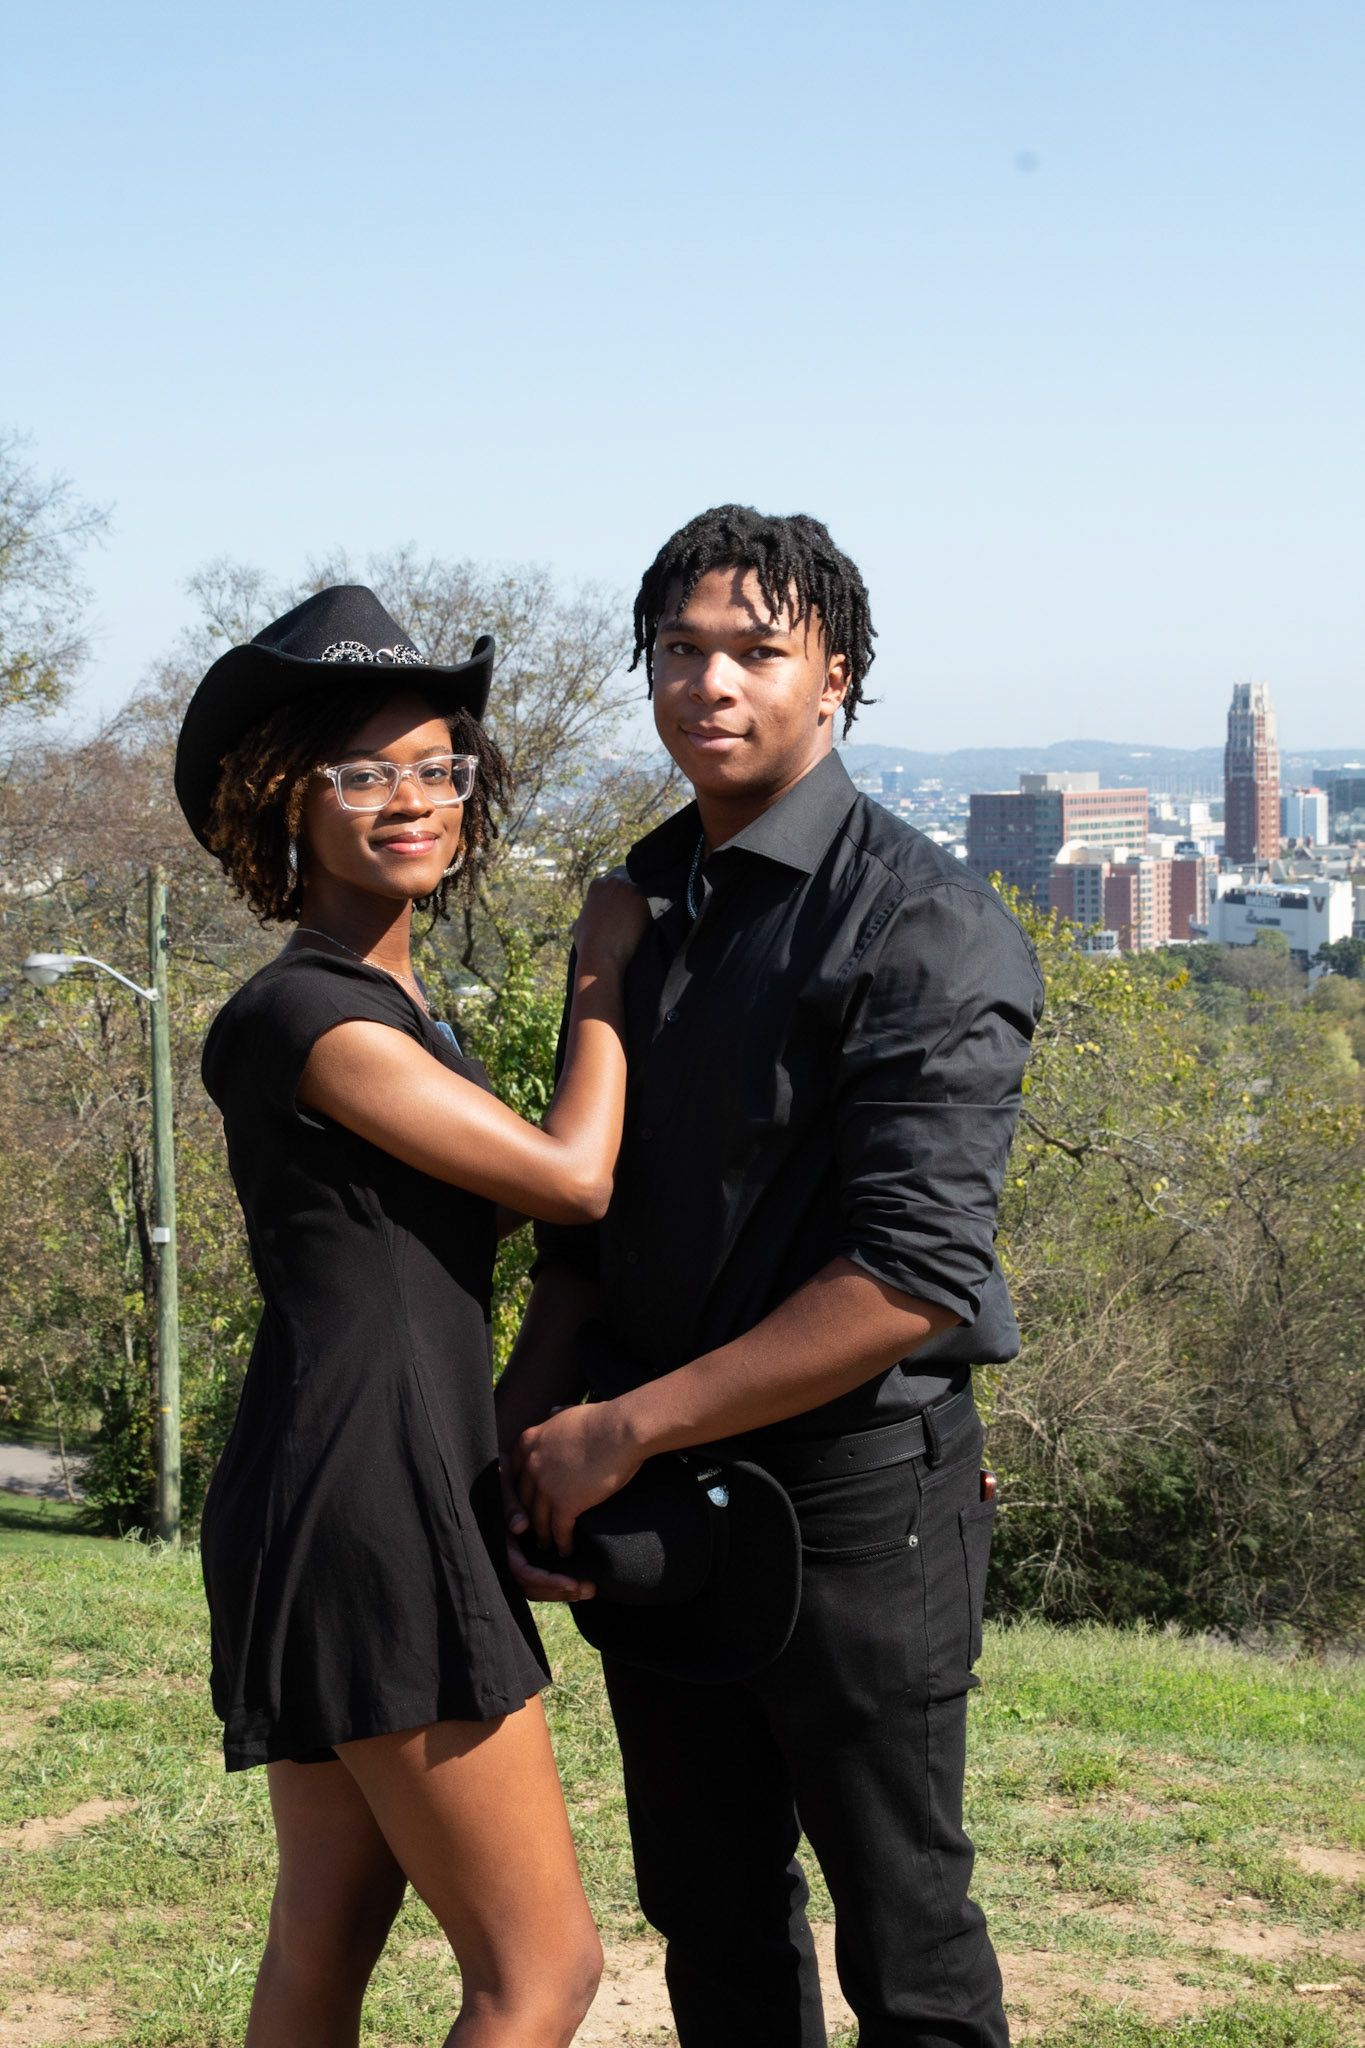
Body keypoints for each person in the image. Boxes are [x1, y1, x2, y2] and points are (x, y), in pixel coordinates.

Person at [496, 507, 1044, 2048]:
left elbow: (912, 1277)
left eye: (755, 650)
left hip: (859, 1505)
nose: (709, 685)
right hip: (659, 1503)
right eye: (679, 651)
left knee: (907, 1941)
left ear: (835, 674)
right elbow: (585, 1234)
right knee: (711, 1911)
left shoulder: (924, 924)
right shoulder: (645, 899)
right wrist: (522, 1441)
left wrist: (618, 1429)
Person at [174, 584, 648, 2048]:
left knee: (324, 1937)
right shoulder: (307, 1017)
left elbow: (465, 1232)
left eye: (441, 768)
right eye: (364, 774)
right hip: (373, 1492)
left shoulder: (396, 1010)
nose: (414, 800)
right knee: (540, 1973)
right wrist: (603, 973)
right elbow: (570, 1180)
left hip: (337, 1481)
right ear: (286, 799)